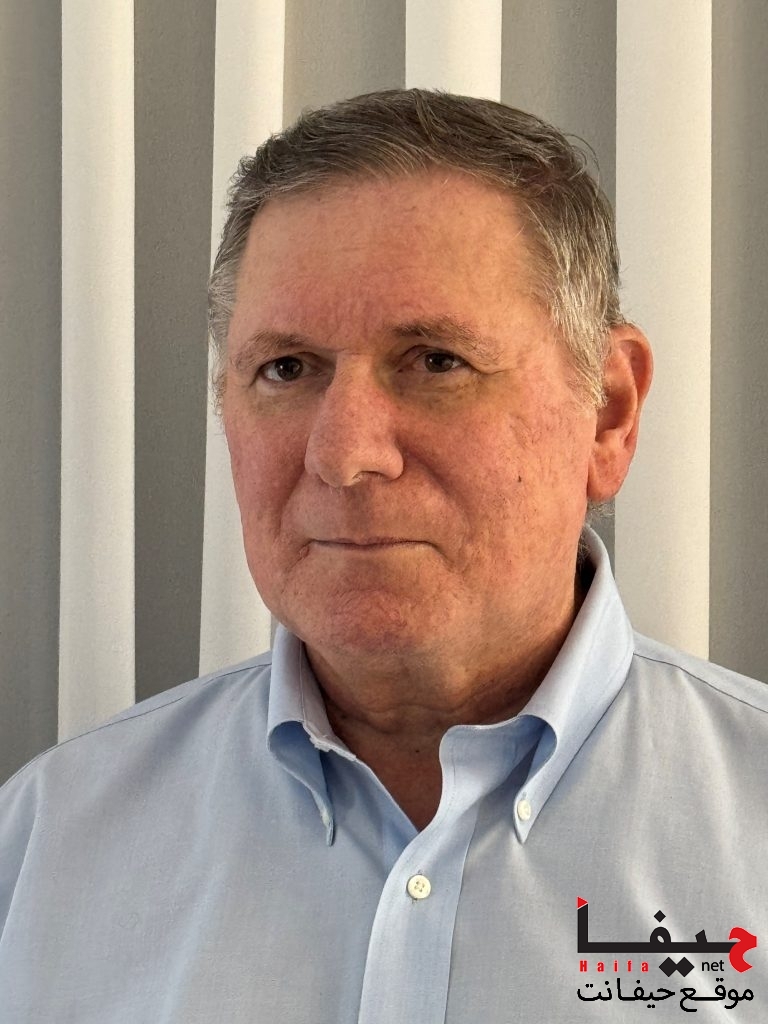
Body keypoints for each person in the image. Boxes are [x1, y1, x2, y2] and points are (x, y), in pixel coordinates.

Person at [1, 89, 766, 1023]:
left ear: (608, 412)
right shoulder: (48, 846)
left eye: (436, 360)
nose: (345, 453)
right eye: (286, 368)